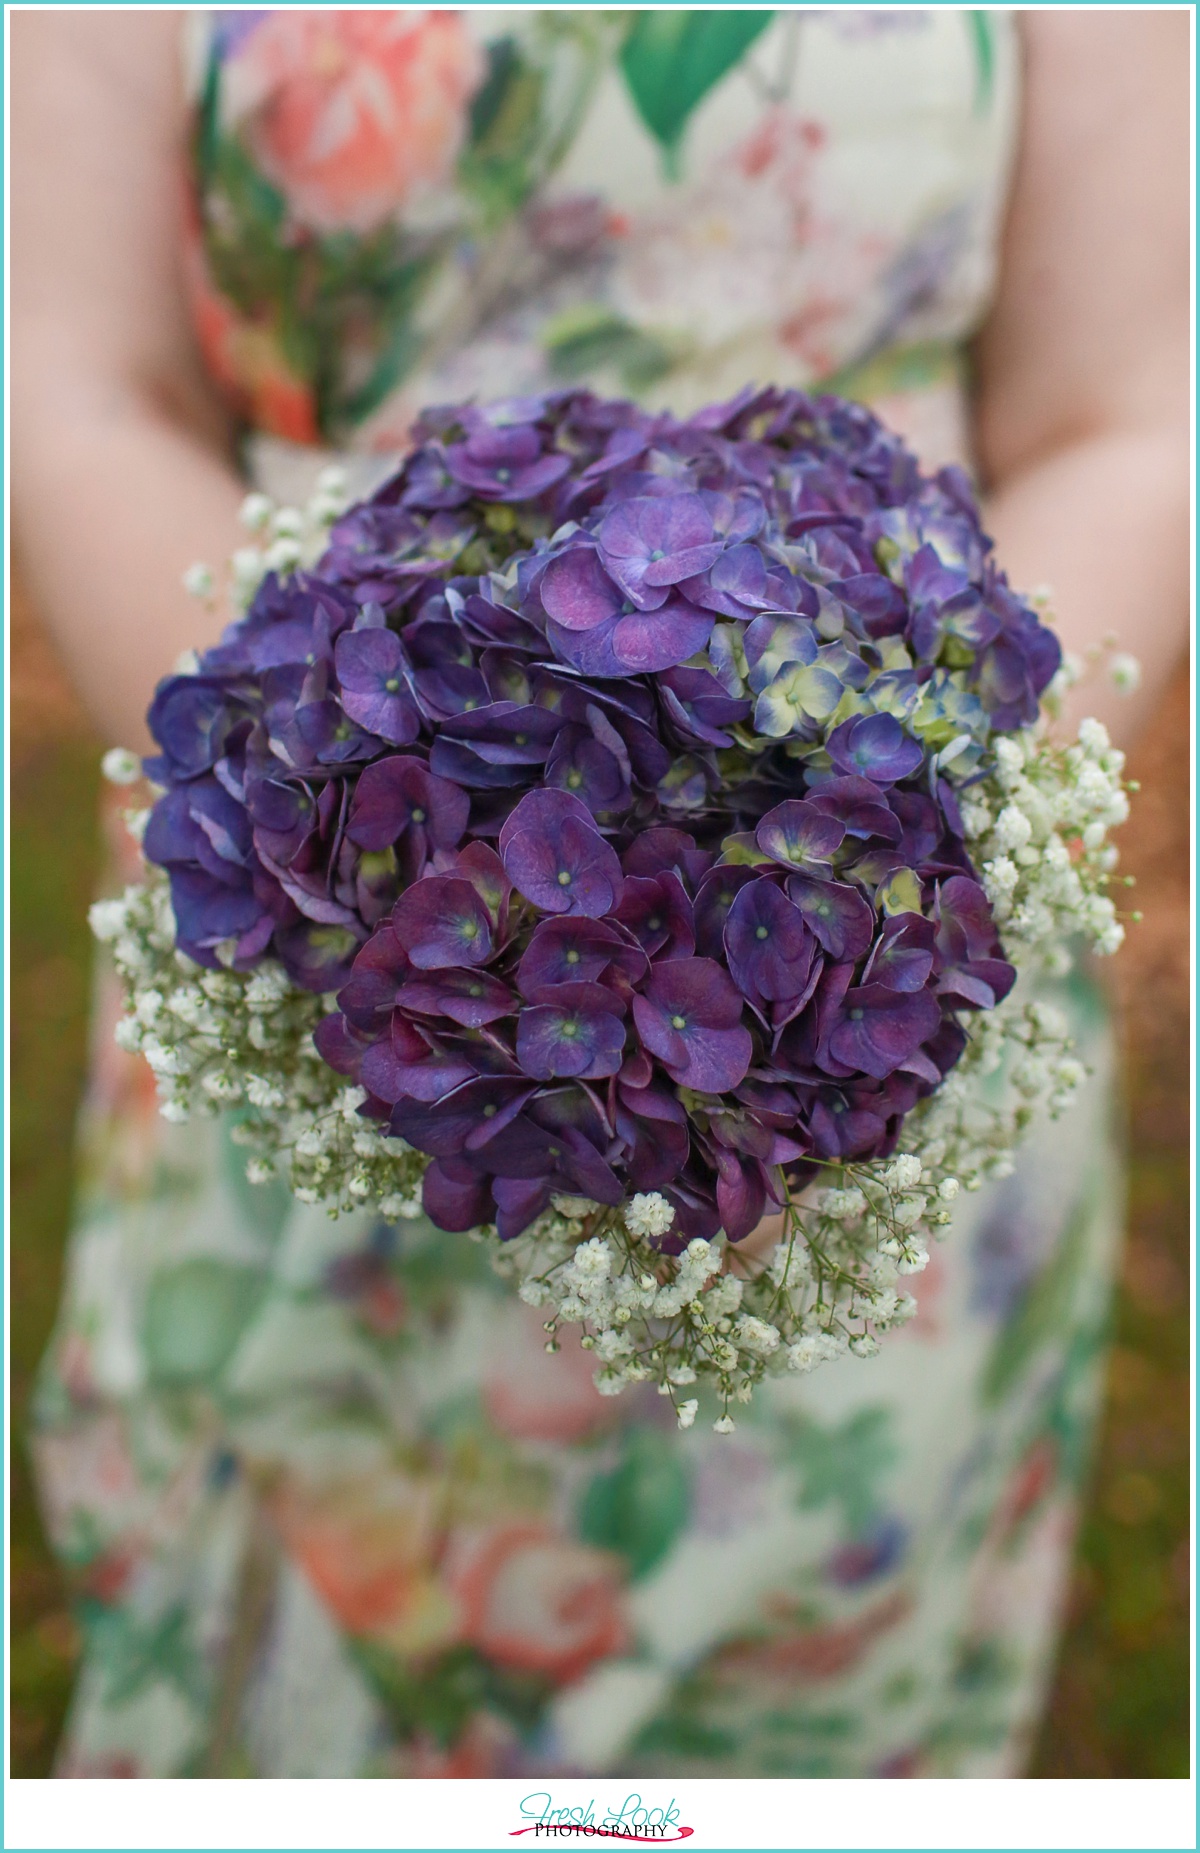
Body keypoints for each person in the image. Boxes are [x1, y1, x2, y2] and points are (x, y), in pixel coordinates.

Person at [12, 9, 1188, 1779]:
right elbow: (69, 381)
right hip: (350, 945)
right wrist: (319, 851)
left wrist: (895, 882)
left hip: (866, 976)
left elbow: (1138, 413)